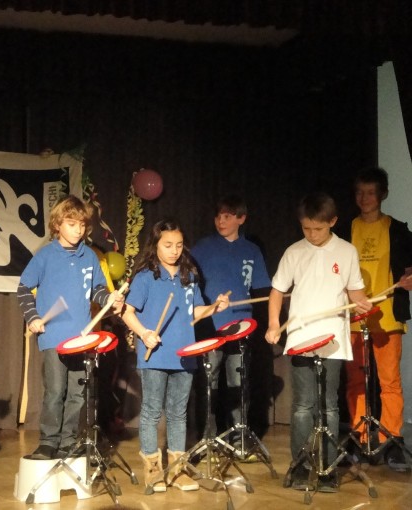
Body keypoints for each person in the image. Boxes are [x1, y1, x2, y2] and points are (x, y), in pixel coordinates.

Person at [265, 192, 371, 493]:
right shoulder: (294, 252)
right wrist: (273, 324)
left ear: (332, 222)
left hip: (333, 339)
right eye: (306, 228)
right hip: (301, 336)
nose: (311, 234)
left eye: (318, 229)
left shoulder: (347, 251)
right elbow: (277, 290)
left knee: (329, 407)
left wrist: (361, 302)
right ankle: (301, 466)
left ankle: (327, 467)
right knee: (303, 405)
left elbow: (355, 291)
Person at [122, 218, 230, 492]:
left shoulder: (188, 276)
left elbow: (195, 311)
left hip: (184, 354)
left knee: (178, 413)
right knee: (151, 411)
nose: (174, 251)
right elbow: (127, 312)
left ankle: (177, 470)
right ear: (155, 245)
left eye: (179, 245)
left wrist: (214, 308)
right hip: (155, 354)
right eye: (168, 245)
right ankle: (152, 470)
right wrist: (144, 333)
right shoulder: (146, 277)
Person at [17, 195, 124, 461]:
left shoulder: (89, 256)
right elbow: (23, 288)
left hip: (82, 337)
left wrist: (108, 298)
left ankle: (67, 442)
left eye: (82, 224)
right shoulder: (45, 255)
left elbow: (97, 289)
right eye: (71, 223)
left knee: (77, 394)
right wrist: (33, 316)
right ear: (57, 225)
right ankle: (48, 442)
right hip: (53, 336)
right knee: (55, 391)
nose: (78, 230)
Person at [344, 167, 412, 472]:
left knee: (389, 382)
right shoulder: (345, 230)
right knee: (355, 381)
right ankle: (358, 436)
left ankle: (392, 440)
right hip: (353, 315)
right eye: (360, 192)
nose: (364, 198)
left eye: (370, 192)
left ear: (382, 194)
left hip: (387, 317)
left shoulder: (397, 229)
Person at [190, 194, 271, 444]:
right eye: (218, 216)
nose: (221, 221)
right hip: (210, 325)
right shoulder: (202, 248)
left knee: (238, 381)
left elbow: (261, 287)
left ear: (241, 219)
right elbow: (188, 284)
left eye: (227, 216)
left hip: (239, 326)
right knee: (208, 383)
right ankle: (207, 438)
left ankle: (239, 437)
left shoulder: (252, 251)